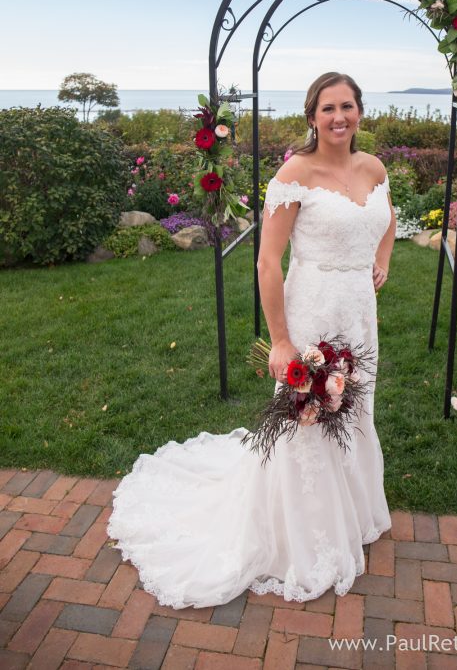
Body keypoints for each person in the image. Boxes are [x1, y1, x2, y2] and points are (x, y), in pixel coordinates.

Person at [107, 71, 397, 608]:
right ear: (312, 115)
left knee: (356, 407)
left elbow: (386, 217)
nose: (339, 117)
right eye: (328, 107)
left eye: (348, 106)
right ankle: (300, 533)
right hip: (311, 306)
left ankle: (350, 512)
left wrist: (381, 259)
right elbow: (267, 259)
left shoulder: (373, 168)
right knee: (308, 417)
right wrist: (282, 341)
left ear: (360, 111)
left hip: (360, 313)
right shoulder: (295, 174)